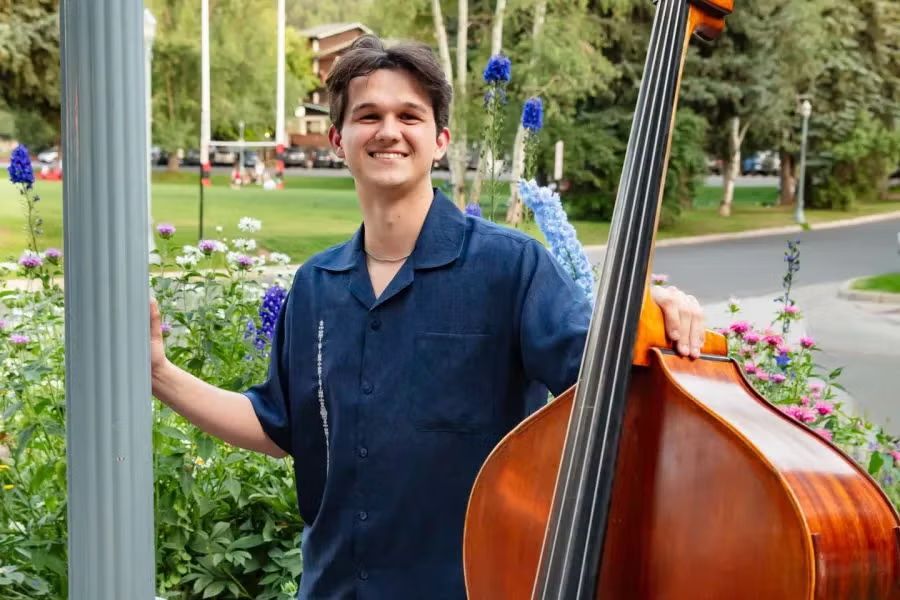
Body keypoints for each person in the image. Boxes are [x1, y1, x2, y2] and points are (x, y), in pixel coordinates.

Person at [149, 35, 706, 600]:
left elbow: (607, 376)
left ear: (438, 140)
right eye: (368, 115)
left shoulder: (510, 267)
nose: (388, 130)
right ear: (339, 140)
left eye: (408, 115)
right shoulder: (316, 285)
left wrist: (651, 312)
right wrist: (160, 375)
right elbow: (277, 425)